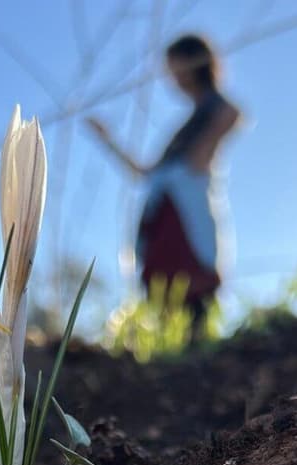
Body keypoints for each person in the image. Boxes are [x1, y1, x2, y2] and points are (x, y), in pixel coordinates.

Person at [88, 34, 242, 343]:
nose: (175, 79)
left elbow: (232, 114)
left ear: (195, 62)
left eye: (178, 68)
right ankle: (174, 345)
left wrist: (200, 155)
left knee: (191, 275)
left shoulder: (212, 107)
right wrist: (108, 139)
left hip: (187, 210)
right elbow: (145, 172)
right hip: (165, 211)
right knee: (162, 278)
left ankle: (196, 343)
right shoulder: (185, 126)